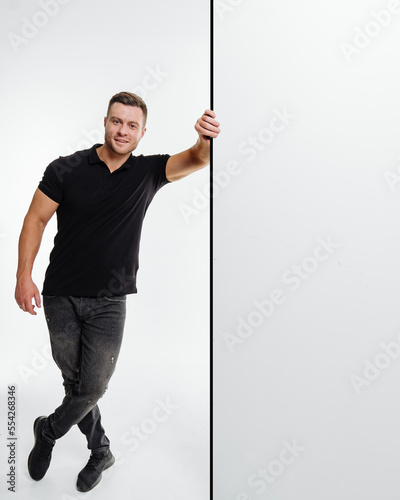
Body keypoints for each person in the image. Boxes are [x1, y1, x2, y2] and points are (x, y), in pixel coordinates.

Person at [14, 91, 220, 493]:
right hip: (60, 296)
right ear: (105, 122)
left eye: (131, 125)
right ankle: (100, 452)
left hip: (110, 301)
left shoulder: (148, 172)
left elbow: (197, 158)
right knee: (75, 383)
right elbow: (35, 219)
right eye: (116, 121)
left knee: (92, 388)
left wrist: (204, 140)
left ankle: (49, 430)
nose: (122, 130)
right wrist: (24, 276)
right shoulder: (66, 168)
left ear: (143, 132)